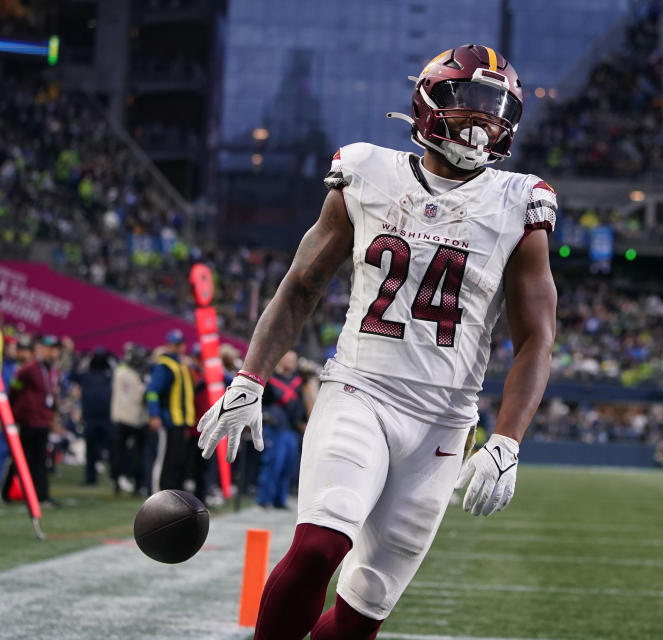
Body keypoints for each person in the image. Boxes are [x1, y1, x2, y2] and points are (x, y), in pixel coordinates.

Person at [197, 44, 557, 640]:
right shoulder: (367, 172)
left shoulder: (520, 202)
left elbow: (537, 339)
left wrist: (507, 440)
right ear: (430, 99)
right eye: (470, 102)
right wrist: (250, 376)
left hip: (444, 422)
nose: (484, 120)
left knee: (364, 611)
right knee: (318, 546)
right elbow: (301, 285)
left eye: (498, 109)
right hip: (359, 390)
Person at [3, 334, 61, 505]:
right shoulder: (28, 370)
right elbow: (14, 391)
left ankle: (41, 495)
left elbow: (52, 394)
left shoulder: (54, 370)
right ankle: (7, 492)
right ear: (42, 350)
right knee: (20, 459)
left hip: (43, 421)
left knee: (41, 460)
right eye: (51, 349)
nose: (54, 352)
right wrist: (13, 413)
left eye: (56, 349)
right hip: (27, 421)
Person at [145, 329, 195, 492]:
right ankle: (158, 493)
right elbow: (152, 391)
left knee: (177, 461)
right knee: (164, 460)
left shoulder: (181, 364)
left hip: (181, 420)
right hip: (169, 420)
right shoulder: (164, 365)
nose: (179, 347)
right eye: (176, 344)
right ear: (169, 345)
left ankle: (174, 494)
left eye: (181, 344)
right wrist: (154, 414)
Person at [256, 350, 304, 510]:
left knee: (287, 465)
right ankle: (264, 499)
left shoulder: (298, 382)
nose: (291, 363)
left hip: (291, 429)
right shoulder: (270, 379)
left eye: (293, 360)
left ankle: (279, 500)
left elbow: (303, 405)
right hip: (275, 428)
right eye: (288, 359)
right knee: (272, 464)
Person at [71, 347, 116, 486]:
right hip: (92, 418)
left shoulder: (110, 375)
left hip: (106, 418)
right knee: (91, 450)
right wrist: (79, 359)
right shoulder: (87, 375)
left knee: (112, 450)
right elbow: (72, 375)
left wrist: (112, 357)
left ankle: (115, 477)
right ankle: (91, 478)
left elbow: (73, 374)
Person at [111, 342, 150, 495]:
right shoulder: (138, 375)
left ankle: (117, 481)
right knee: (137, 453)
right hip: (137, 418)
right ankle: (136, 483)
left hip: (121, 416)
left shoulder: (119, 372)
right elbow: (141, 396)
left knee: (120, 451)